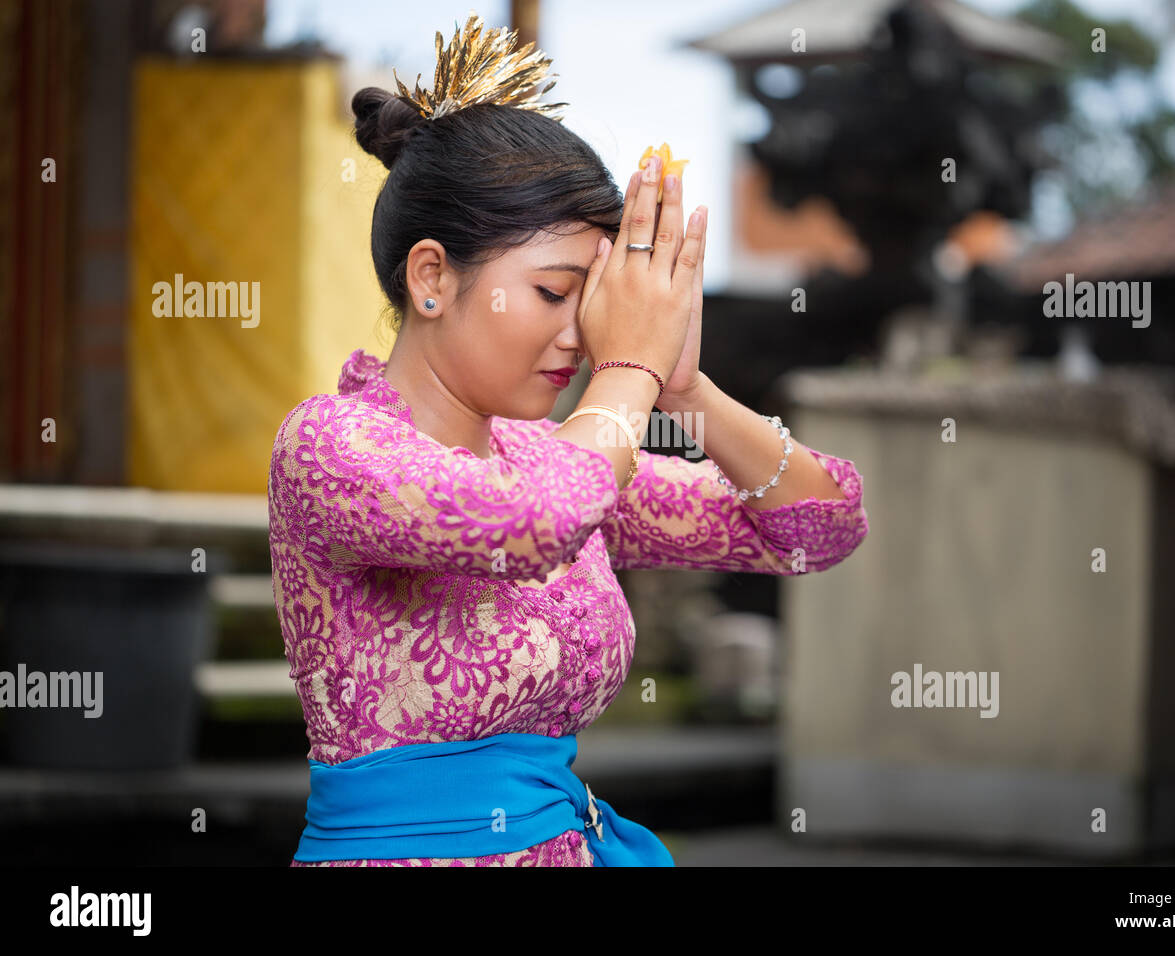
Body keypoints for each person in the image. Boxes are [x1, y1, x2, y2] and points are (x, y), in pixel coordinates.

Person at [268, 14, 869, 867]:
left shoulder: (558, 452)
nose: (581, 336)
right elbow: (538, 522)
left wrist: (682, 380)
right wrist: (629, 365)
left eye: (595, 306)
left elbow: (821, 526)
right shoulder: (329, 445)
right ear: (432, 276)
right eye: (556, 294)